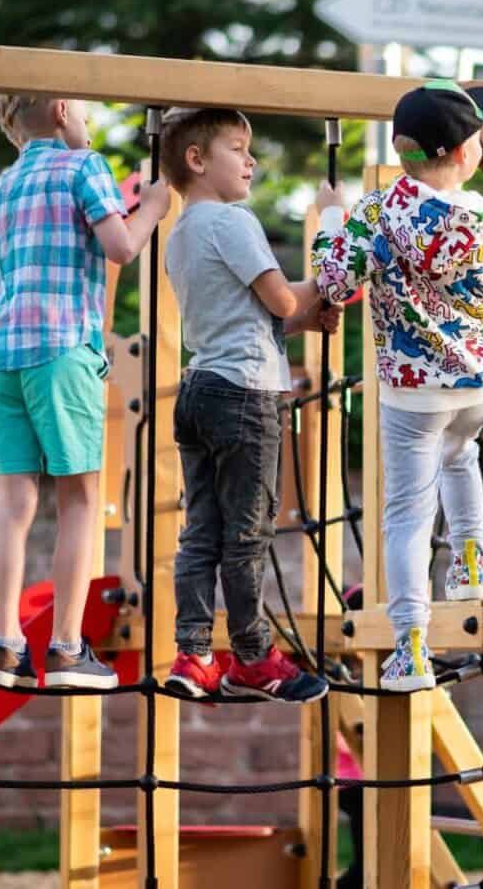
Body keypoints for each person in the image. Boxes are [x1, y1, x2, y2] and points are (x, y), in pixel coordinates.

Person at [312, 80, 483, 691]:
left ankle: (409, 649)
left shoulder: (379, 211)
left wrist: (332, 212)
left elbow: (332, 281)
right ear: (464, 154)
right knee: (463, 457)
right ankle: (469, 563)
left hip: (410, 391)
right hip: (477, 381)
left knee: (407, 513)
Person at [0, 95, 169, 689]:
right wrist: (155, 207)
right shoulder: (85, 165)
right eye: (84, 110)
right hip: (61, 346)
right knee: (80, 499)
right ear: (64, 110)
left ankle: (5, 645)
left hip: (1, 351)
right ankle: (65, 646)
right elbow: (120, 247)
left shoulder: (6, 183)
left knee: (13, 503)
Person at [159, 106, 336, 703]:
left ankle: (193, 654)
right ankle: (254, 658)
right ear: (197, 159)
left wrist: (305, 312)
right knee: (247, 533)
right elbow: (283, 303)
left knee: (200, 532)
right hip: (246, 396)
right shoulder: (233, 221)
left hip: (200, 388)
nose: (252, 160)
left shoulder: (180, 234)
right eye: (239, 148)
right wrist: (331, 280)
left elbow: (258, 321)